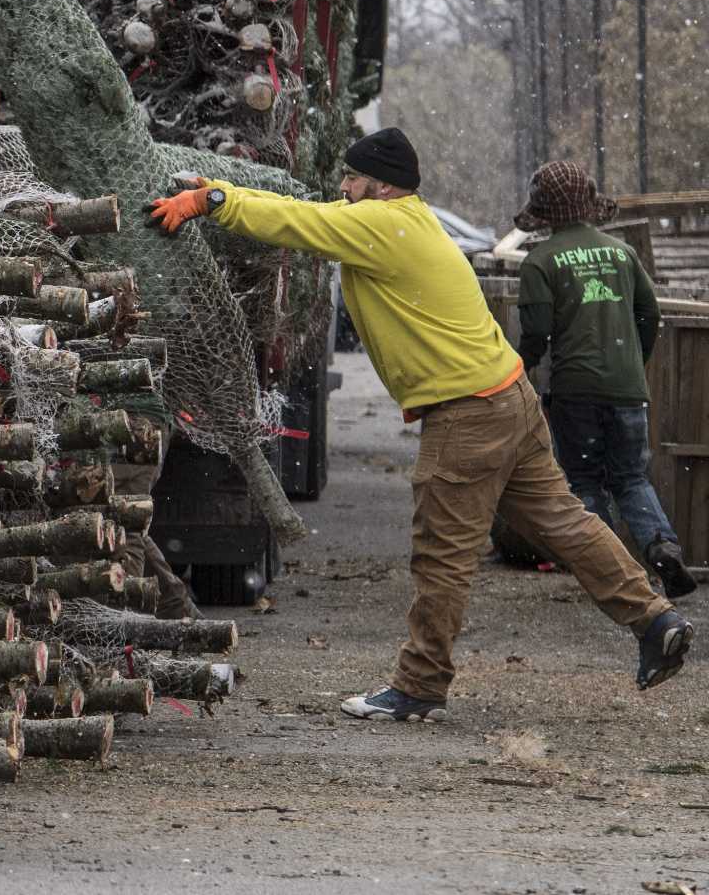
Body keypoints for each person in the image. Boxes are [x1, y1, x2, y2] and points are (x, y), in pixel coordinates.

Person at [147, 128, 692, 720]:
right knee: (567, 524)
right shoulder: (410, 219)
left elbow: (297, 224)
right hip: (510, 397)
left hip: (466, 416)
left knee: (442, 555)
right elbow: (313, 213)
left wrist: (215, 203)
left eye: (351, 180)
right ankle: (655, 618)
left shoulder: (378, 225)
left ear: (378, 186)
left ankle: (419, 685)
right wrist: (222, 188)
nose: (343, 188)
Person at [515, 161, 695, 600]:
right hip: (627, 388)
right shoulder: (622, 253)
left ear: (544, 214)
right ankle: (662, 544)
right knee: (633, 478)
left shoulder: (540, 261)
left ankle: (609, 575)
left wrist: (519, 372)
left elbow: (537, 335)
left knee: (585, 482)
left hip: (576, 392)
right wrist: (634, 361)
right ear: (588, 206)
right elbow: (650, 315)